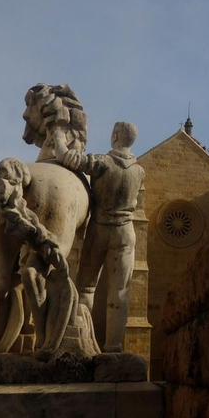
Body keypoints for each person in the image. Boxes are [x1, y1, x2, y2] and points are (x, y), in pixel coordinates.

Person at [56, 121, 146, 352]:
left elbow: (67, 157)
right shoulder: (139, 171)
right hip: (125, 234)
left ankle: (84, 343)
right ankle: (114, 347)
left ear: (115, 135)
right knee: (120, 292)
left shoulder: (102, 162)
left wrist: (57, 137)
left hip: (100, 229)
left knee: (86, 287)